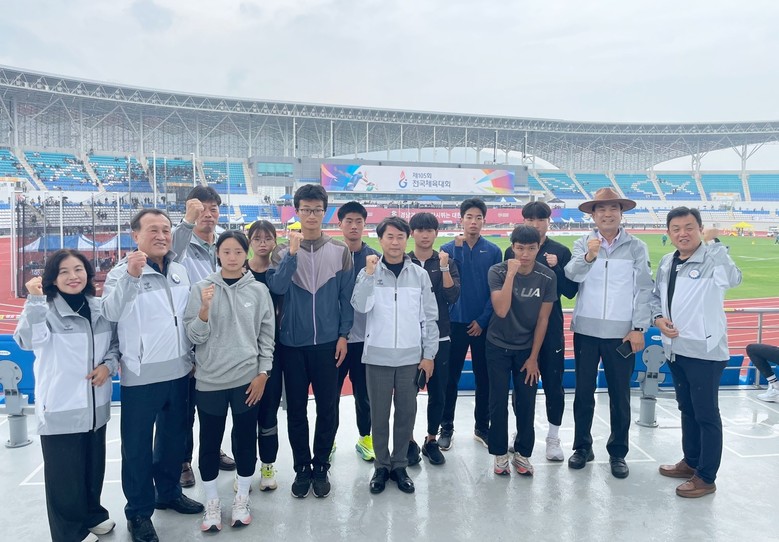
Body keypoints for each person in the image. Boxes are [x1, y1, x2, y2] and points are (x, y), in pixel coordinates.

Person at [102, 209, 204, 542]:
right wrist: (131, 277)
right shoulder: (121, 273)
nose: (161, 236)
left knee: (173, 440)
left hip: (179, 371)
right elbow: (111, 313)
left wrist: (191, 356)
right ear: (136, 236)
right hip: (141, 375)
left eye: (165, 230)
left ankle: (169, 493)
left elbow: (185, 316)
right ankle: (139, 512)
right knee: (137, 449)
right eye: (153, 230)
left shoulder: (178, 270)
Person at [14, 250, 124, 542]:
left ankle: (93, 515)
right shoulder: (46, 310)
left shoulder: (99, 308)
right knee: (64, 478)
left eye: (78, 269)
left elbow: (115, 345)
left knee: (92, 468)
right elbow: (28, 340)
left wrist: (107, 366)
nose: (73, 276)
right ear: (52, 278)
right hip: (61, 407)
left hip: (96, 407)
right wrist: (35, 301)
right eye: (64, 271)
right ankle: (69, 533)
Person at [266, 184, 354, 499]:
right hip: (292, 344)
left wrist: (343, 335)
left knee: (328, 409)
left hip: (328, 344)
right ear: (297, 212)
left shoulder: (340, 251)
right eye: (306, 209)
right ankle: (302, 467)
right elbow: (277, 287)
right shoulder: (281, 251)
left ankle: (321, 466)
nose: (312, 215)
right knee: (296, 410)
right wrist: (291, 255)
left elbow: (347, 298)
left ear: (325, 212)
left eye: (317, 210)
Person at [184, 230, 275, 530]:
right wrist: (204, 310)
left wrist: (263, 373)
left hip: (246, 381)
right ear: (218, 254)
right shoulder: (201, 288)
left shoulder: (258, 291)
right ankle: (212, 502)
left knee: (245, 441)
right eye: (226, 252)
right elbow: (194, 336)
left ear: (246, 255)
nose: (232, 257)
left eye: (238, 252)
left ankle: (242, 497)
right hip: (210, 381)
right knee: (209, 442)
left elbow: (266, 336)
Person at [564, 187, 654, 479]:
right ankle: (582, 447)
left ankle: (618, 452)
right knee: (583, 393)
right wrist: (589, 256)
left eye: (613, 208)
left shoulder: (636, 247)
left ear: (621, 213)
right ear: (593, 215)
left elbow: (644, 290)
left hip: (621, 335)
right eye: (601, 209)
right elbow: (572, 275)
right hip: (586, 332)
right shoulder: (582, 243)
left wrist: (638, 328)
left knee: (619, 395)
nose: (607, 214)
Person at [651, 208, 741, 497]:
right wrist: (657, 319)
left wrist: (715, 244)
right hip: (675, 350)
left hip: (705, 352)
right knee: (687, 409)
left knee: (706, 415)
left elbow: (733, 278)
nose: (683, 233)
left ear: (700, 229)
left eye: (689, 227)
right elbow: (656, 298)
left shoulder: (712, 259)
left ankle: (706, 476)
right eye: (676, 229)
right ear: (669, 233)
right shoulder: (667, 261)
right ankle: (690, 461)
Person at [352, 217, 439, 494]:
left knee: (406, 414)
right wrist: (368, 276)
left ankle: (399, 465)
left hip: (410, 359)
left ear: (406, 239)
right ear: (380, 240)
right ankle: (381, 466)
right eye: (389, 236)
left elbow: (429, 317)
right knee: (379, 416)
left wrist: (429, 355)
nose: (395, 242)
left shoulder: (419, 275)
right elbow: (360, 306)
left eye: (400, 237)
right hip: (377, 357)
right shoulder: (368, 272)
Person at [171, 185, 235, 488]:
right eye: (201, 208)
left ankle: (213, 449)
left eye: (213, 208)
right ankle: (183, 460)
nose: (208, 214)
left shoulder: (223, 244)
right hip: (190, 336)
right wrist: (187, 221)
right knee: (186, 408)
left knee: (215, 404)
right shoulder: (182, 246)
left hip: (219, 339)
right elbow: (171, 251)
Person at [504, 201, 578, 461]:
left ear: (549, 221)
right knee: (522, 386)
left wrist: (556, 267)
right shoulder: (511, 250)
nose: (535, 225)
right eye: (530, 219)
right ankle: (521, 431)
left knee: (554, 385)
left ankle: (553, 437)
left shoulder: (560, 251)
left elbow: (570, 292)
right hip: (521, 328)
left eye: (540, 219)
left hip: (551, 328)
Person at [487, 226, 555, 476]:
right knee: (497, 401)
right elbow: (501, 310)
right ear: (512, 248)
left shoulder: (547, 276)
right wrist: (511, 275)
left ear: (538, 248)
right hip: (497, 345)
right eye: (520, 248)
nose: (525, 254)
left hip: (526, 349)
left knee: (526, 401)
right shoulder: (497, 271)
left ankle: (523, 453)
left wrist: (534, 357)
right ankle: (499, 454)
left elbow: (543, 319)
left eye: (531, 248)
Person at [439, 198, 502, 450]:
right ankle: (446, 426)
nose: (473, 222)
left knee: (483, 378)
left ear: (484, 221)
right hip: (454, 323)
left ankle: (482, 427)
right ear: (461, 219)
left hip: (482, 325)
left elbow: (494, 290)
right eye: (469, 217)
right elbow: (452, 283)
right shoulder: (447, 249)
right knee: (449, 378)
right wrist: (459, 248)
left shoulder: (493, 251)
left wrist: (483, 320)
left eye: (478, 217)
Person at [408, 212, 461, 465]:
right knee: (407, 393)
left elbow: (452, 297)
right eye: (420, 230)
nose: (425, 235)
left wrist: (444, 267)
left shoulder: (446, 261)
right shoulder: (404, 261)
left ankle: (431, 440)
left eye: (429, 230)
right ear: (412, 233)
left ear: (436, 233)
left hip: (440, 335)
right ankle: (408, 441)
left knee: (438, 391)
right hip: (408, 337)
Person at [333, 201, 379, 462]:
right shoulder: (331, 254)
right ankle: (328, 439)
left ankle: (365, 437)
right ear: (339, 224)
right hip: (334, 338)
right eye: (348, 221)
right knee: (331, 395)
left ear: (364, 224)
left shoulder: (374, 257)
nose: (353, 226)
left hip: (364, 339)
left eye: (358, 221)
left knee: (365, 394)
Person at [246, 220, 285, 490]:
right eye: (257, 238)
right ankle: (245, 470)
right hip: (243, 353)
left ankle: (268, 465)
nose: (263, 243)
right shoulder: (239, 271)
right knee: (244, 413)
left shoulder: (278, 273)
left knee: (269, 411)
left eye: (267, 238)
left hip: (273, 351)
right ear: (249, 242)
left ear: (274, 241)